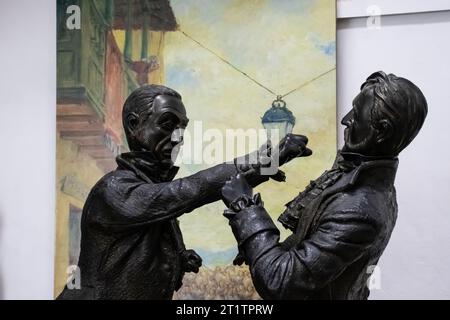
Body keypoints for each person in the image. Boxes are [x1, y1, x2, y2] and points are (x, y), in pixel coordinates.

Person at [57, 84, 310, 299]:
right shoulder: (113, 190)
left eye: (182, 127)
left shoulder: (148, 185)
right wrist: (262, 159)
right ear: (134, 125)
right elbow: (188, 191)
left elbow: (155, 223)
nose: (178, 137)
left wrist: (178, 257)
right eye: (167, 124)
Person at [221, 71, 428, 300]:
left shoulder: (357, 210)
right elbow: (306, 243)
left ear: (382, 130)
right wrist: (259, 249)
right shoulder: (358, 179)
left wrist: (246, 208)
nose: (346, 119)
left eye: (356, 114)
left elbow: (279, 281)